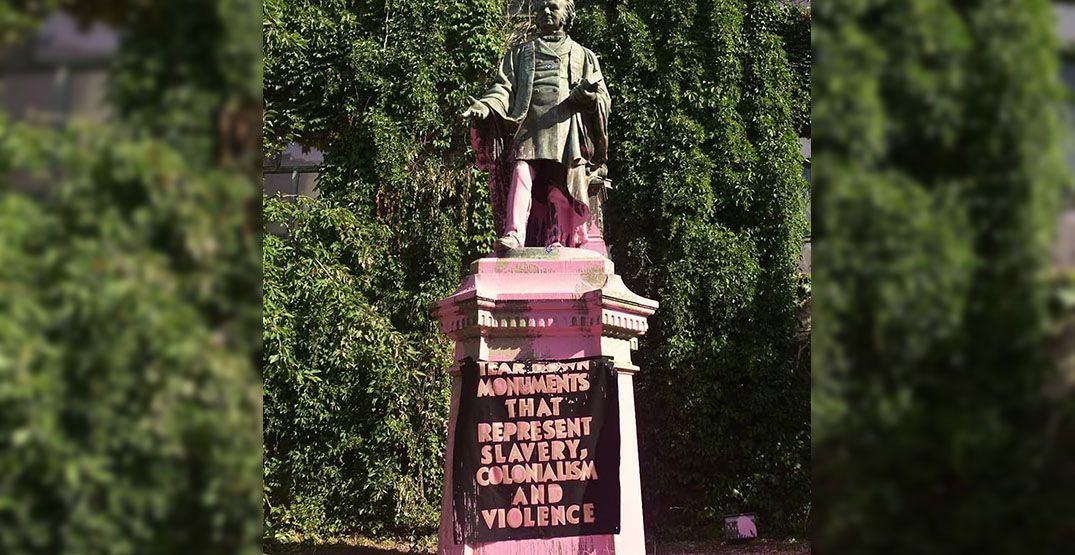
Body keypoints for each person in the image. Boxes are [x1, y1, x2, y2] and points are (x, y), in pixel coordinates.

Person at [463, 0, 611, 254]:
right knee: (521, 172)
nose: (545, 12)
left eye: (553, 7)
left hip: (567, 129)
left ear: (567, 14)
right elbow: (503, 88)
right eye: (541, 7)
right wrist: (487, 106)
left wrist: (590, 98)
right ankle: (513, 233)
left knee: (559, 184)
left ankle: (557, 238)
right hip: (529, 127)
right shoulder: (520, 53)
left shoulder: (583, 55)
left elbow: (603, 98)